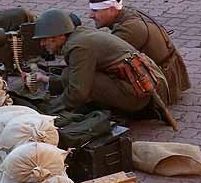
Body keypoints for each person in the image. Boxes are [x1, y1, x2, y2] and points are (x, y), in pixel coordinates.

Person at [31, 9, 172, 115]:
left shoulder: (78, 47)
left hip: (139, 97)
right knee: (70, 75)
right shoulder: (81, 34)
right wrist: (46, 79)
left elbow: (77, 92)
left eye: (45, 39)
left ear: (60, 36)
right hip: (144, 88)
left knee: (72, 79)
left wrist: (46, 110)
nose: (42, 44)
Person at [87, 0, 191, 105]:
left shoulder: (129, 29)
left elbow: (100, 60)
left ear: (112, 9)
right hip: (167, 76)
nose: (90, 15)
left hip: (162, 87)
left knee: (90, 78)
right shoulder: (129, 14)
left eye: (95, 11)